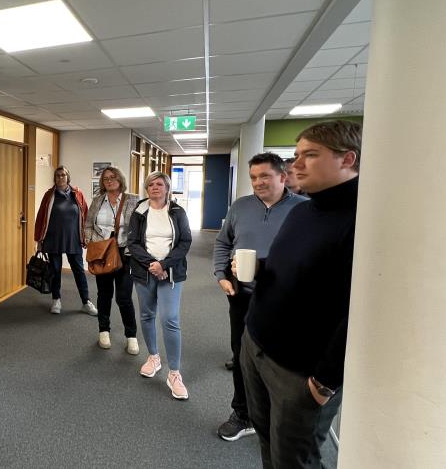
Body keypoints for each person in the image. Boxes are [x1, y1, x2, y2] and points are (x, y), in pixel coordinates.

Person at [239, 120, 362, 468]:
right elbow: (290, 266)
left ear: (347, 159)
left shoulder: (362, 221)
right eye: (296, 155)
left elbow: (361, 311)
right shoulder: (303, 211)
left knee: (294, 459)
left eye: (310, 155)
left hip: (300, 371)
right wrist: (259, 267)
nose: (296, 165)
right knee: (266, 438)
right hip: (256, 344)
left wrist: (325, 382)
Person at [213, 153, 307, 442]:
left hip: (284, 300)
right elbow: (223, 242)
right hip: (241, 295)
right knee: (242, 355)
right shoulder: (240, 207)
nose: (258, 182)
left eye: (265, 176)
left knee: (279, 362)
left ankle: (276, 418)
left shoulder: (303, 209)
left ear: (283, 176)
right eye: (253, 177)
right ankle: (242, 413)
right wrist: (221, 275)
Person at [127, 171, 192, 399]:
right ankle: (153, 357)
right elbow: (132, 242)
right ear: (147, 189)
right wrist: (152, 265)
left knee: (170, 319)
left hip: (171, 273)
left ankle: (174, 373)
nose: (155, 187)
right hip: (144, 272)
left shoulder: (177, 211)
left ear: (167, 188)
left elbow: (185, 241)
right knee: (147, 315)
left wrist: (164, 265)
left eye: (159, 184)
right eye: (151, 184)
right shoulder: (139, 211)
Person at [84, 166, 139, 354]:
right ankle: (104, 331)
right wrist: (92, 241)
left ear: (120, 179)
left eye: (113, 177)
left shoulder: (133, 200)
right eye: (106, 178)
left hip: (125, 254)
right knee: (104, 294)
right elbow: (88, 225)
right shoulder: (98, 201)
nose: (109, 180)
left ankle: (131, 336)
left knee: (124, 297)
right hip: (103, 252)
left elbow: (140, 227)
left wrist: (134, 248)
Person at [35, 166, 97, 315]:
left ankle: (86, 301)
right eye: (58, 175)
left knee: (79, 271)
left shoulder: (77, 194)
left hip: (73, 239)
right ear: (54, 178)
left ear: (68, 177)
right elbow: (41, 217)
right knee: (55, 271)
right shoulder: (49, 195)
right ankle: (56, 300)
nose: (60, 177)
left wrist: (87, 235)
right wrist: (39, 240)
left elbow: (86, 215)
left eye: (63, 175)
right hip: (53, 239)